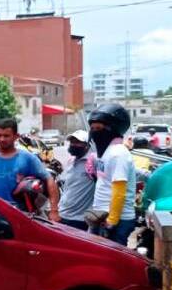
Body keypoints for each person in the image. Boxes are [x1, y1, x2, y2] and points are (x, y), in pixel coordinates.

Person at [0, 118, 61, 220]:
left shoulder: (28, 158)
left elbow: (49, 179)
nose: (2, 139)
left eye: (6, 136)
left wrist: (54, 210)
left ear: (16, 136)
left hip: (19, 215)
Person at [87, 103, 136, 245]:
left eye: (99, 128)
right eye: (93, 128)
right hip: (102, 216)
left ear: (112, 129)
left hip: (116, 220)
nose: (95, 132)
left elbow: (119, 190)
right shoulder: (107, 151)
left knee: (112, 263)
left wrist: (111, 221)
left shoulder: (118, 154)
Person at [56, 130, 95, 231]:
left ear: (87, 145)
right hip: (63, 214)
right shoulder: (71, 161)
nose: (73, 145)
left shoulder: (93, 162)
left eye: (77, 142)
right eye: (72, 142)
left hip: (79, 219)